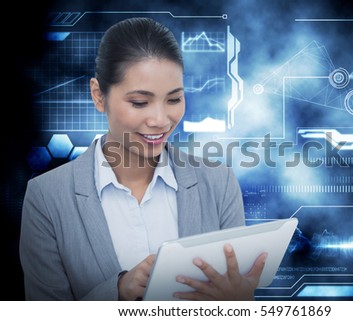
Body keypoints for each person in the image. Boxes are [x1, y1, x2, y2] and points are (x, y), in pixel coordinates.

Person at [19, 17, 267, 301]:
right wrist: (117, 293)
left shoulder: (218, 184)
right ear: (98, 96)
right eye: (139, 102)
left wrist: (238, 304)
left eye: (174, 99)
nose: (161, 120)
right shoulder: (47, 198)